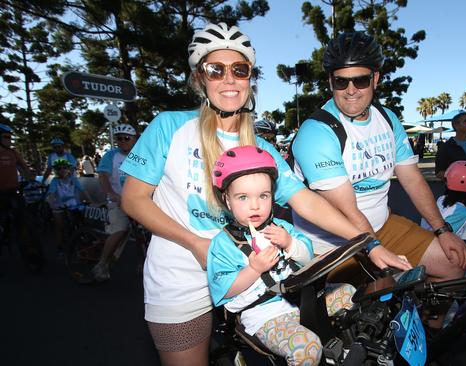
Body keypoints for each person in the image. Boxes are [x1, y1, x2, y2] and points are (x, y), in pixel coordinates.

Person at [118, 23, 385, 365]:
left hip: (254, 279)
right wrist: (196, 244)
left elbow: (306, 200)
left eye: (239, 70)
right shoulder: (169, 126)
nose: (229, 79)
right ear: (200, 78)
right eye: (216, 70)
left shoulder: (261, 148)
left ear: (249, 79)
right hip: (181, 274)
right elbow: (133, 199)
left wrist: (368, 242)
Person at [289, 31, 466, 328]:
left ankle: (428, 338)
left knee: (454, 264)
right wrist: (374, 248)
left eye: (360, 80)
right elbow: (347, 210)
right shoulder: (316, 132)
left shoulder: (387, 119)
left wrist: (442, 229)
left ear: (376, 78)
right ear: (330, 82)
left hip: (381, 226)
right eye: (340, 81)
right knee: (359, 326)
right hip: (332, 247)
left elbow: (411, 179)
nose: (350, 90)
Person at [208, 146, 356, 364]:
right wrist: (254, 269)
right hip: (264, 316)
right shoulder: (223, 244)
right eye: (243, 197)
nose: (255, 205)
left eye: (263, 195)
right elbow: (224, 293)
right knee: (307, 347)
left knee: (350, 294)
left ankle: (346, 350)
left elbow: (307, 260)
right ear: (227, 200)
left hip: (301, 300)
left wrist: (290, 244)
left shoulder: (283, 227)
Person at [90, 124, 138, 282]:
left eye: (126, 138)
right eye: (119, 138)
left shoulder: (141, 155)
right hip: (117, 201)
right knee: (120, 229)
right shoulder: (111, 155)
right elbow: (103, 177)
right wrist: (111, 194)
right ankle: (101, 263)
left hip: (137, 201)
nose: (122, 141)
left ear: (134, 139)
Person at [0, 124, 44, 271]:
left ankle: (33, 254)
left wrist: (31, 180)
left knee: (26, 223)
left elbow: (24, 168)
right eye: (6, 137)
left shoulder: (13, 153)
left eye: (10, 137)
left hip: (13, 192)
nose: (9, 140)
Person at [45, 158, 91, 258]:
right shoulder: (55, 181)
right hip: (59, 206)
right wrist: (53, 204)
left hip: (73, 205)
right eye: (58, 169)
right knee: (60, 225)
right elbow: (51, 194)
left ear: (68, 169)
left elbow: (83, 190)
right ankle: (60, 247)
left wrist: (90, 201)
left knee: (82, 222)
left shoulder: (74, 179)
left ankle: (83, 239)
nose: (61, 170)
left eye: (64, 168)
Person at [435, 111, 466, 178]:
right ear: (456, 126)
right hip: (453, 187)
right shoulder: (446, 147)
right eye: (465, 121)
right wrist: (456, 176)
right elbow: (438, 172)